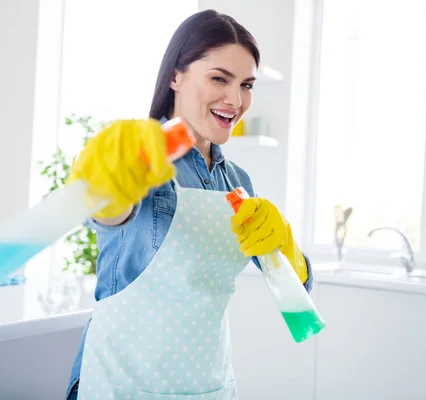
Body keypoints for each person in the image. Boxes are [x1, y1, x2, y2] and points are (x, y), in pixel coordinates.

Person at [66, 9, 314, 400]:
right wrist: (104, 191)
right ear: (175, 76)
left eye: (247, 85)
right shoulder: (141, 162)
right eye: (219, 78)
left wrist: (288, 253)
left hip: (210, 386)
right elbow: (110, 216)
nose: (235, 100)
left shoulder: (238, 182)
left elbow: (296, 291)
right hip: (123, 385)